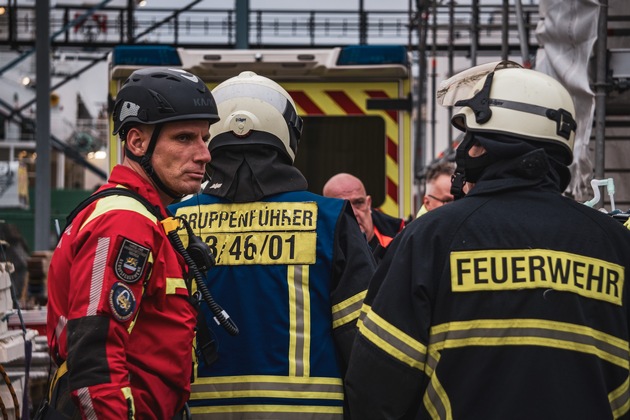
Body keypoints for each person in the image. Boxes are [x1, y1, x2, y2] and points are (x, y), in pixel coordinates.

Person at [344, 61, 630, 419]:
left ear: (493, 144)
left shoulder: (431, 238)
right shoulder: (617, 245)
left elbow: (377, 382)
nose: (465, 149)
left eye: (472, 138)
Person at [168, 71, 376, 418]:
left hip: (200, 410)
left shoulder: (175, 221)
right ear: (287, 135)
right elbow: (363, 339)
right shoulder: (329, 217)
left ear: (212, 140)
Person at [44, 67, 219, 419]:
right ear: (137, 143)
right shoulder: (125, 221)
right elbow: (94, 363)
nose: (204, 154)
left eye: (205, 137)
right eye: (185, 138)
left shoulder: (149, 217)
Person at [323, 173, 405, 262]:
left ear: (368, 204)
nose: (353, 213)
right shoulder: (319, 249)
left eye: (358, 203)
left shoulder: (399, 242)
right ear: (327, 211)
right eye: (342, 206)